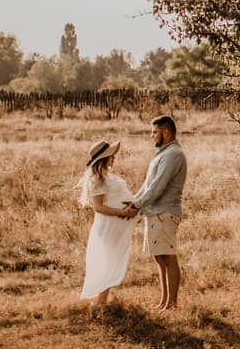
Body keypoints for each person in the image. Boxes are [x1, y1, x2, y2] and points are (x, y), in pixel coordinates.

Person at [127, 114, 187, 311]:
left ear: (166, 132)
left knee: (168, 257)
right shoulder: (162, 154)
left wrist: (136, 205)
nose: (151, 136)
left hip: (165, 212)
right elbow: (148, 186)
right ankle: (164, 301)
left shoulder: (173, 155)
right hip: (154, 212)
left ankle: (173, 304)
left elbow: (158, 186)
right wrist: (134, 202)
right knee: (159, 258)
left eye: (154, 132)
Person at [77, 141, 137, 307]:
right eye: (111, 156)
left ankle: (102, 301)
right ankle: (101, 303)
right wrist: (123, 213)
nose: (114, 158)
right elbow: (99, 207)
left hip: (116, 225)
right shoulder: (97, 179)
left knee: (112, 260)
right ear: (103, 159)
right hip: (108, 226)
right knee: (108, 261)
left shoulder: (109, 177)